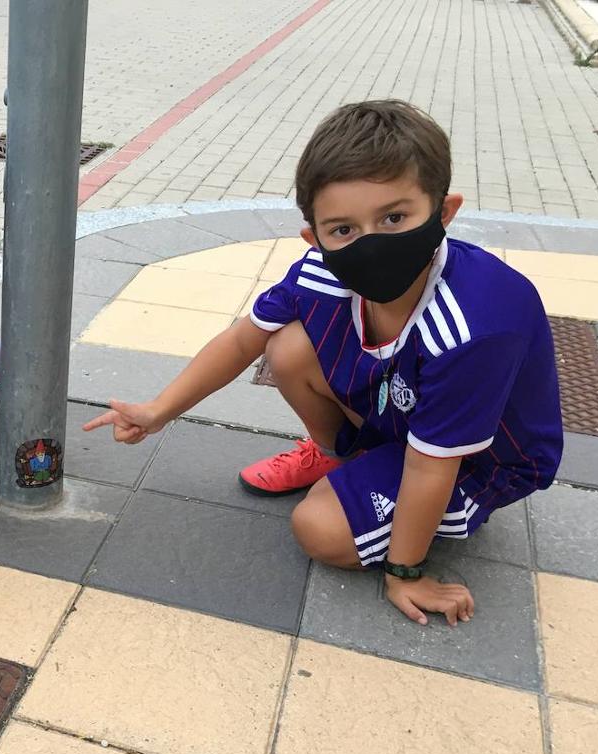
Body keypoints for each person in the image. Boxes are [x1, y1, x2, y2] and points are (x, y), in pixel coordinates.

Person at [85, 100, 562, 626]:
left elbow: (433, 464)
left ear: (444, 212)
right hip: (410, 419)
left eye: (395, 218)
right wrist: (159, 410)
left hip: (481, 460)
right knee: (287, 346)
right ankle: (338, 456)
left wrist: (405, 571)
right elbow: (244, 341)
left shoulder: (475, 326)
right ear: (315, 238)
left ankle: (417, 506)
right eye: (344, 230)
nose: (370, 243)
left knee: (321, 530)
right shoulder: (323, 271)